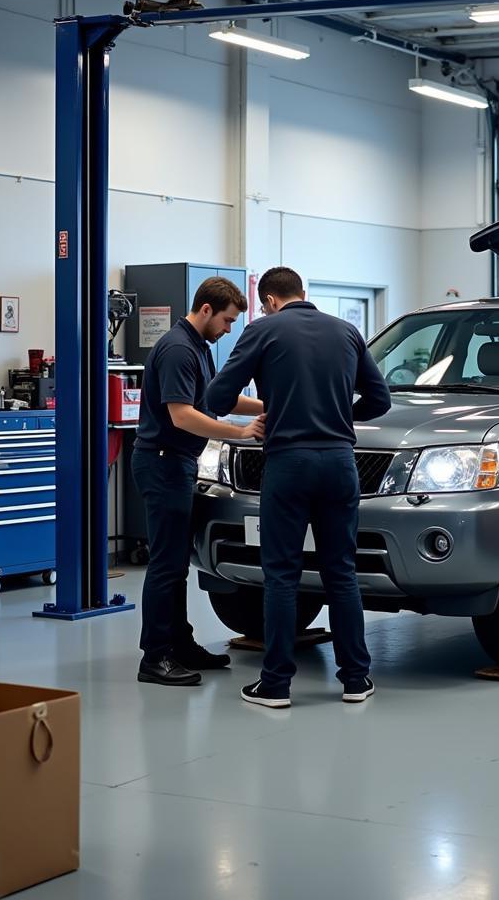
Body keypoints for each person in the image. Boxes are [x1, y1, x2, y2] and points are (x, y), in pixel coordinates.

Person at [206, 267, 391, 709]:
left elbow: (216, 398)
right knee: (341, 573)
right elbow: (380, 399)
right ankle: (355, 680)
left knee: (283, 575)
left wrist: (278, 409)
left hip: (289, 464)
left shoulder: (262, 330)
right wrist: (339, 416)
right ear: (303, 294)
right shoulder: (347, 331)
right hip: (341, 464)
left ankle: (275, 686)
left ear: (268, 299)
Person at [133, 278, 266, 687]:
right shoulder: (177, 349)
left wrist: (274, 404)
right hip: (163, 463)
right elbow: (183, 415)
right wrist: (240, 433)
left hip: (179, 463)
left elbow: (213, 399)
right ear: (206, 310)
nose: (229, 329)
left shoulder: (198, 348)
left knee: (177, 564)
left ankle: (180, 644)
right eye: (227, 320)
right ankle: (155, 657)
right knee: (166, 565)